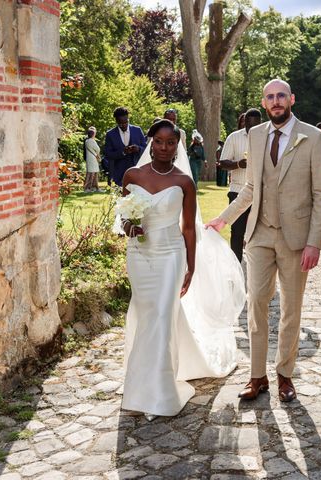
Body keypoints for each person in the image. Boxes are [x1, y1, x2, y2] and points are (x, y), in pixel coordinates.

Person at [206, 79, 321, 403]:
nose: (276, 102)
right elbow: (250, 188)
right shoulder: (255, 135)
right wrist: (224, 218)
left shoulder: (314, 138)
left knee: (291, 307)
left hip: (296, 238)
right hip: (259, 233)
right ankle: (257, 376)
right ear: (264, 103)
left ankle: (284, 374)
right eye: (270, 97)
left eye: (281, 96)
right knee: (257, 301)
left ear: (291, 99)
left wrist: (314, 242)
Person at [119, 119, 245, 419]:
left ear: (178, 145)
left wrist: (190, 266)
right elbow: (123, 217)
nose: (164, 148)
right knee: (146, 313)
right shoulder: (131, 175)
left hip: (171, 256)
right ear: (151, 142)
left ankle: (159, 393)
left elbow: (189, 228)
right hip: (140, 255)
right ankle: (141, 384)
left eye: (171, 142)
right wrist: (129, 226)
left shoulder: (184, 182)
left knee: (162, 315)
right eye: (159, 142)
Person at [217, 108, 263, 262]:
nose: (252, 130)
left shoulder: (267, 137)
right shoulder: (234, 137)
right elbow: (222, 163)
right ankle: (235, 263)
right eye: (250, 127)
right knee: (237, 231)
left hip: (260, 193)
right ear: (245, 123)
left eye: (256, 126)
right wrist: (238, 164)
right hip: (238, 190)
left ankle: (256, 263)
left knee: (259, 232)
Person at [103, 107, 147, 187]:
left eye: (126, 122)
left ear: (128, 119)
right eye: (120, 123)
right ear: (116, 121)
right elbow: (108, 154)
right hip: (118, 175)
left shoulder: (137, 130)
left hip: (136, 173)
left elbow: (146, 150)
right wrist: (122, 152)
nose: (123, 125)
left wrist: (138, 149)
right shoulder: (110, 134)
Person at [83, 127, 101, 193]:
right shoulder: (90, 141)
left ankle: (94, 187)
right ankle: (87, 188)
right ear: (93, 134)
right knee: (91, 173)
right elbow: (97, 149)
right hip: (92, 159)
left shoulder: (89, 141)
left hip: (93, 158)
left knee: (94, 173)